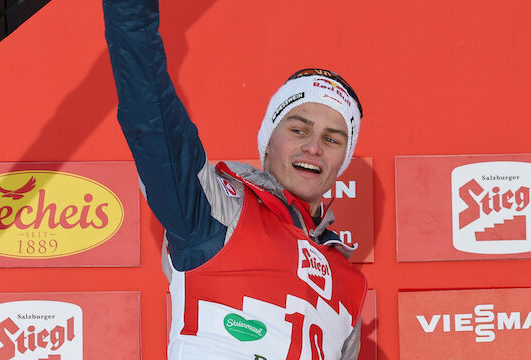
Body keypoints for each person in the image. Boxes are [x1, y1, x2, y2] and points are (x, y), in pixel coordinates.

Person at [103, 0, 367, 359]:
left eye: (332, 139)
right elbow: (152, 119)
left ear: (343, 160)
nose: (314, 148)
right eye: (299, 129)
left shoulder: (350, 281)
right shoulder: (219, 210)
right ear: (268, 142)